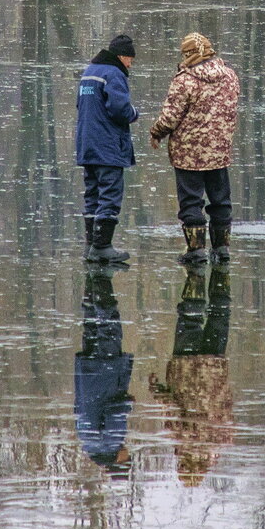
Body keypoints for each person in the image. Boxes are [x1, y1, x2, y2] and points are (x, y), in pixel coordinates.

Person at [149, 32, 240, 264]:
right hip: (219, 152)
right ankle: (222, 249)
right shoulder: (230, 76)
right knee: (220, 201)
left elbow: (170, 118)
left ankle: (196, 251)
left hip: (189, 153)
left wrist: (156, 132)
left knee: (191, 201)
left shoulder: (184, 81)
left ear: (188, 54)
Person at [148, 266, 233, 486]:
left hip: (214, 367)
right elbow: (174, 409)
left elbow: (228, 407)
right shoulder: (182, 441)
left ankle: (222, 266)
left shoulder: (222, 441)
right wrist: (158, 392)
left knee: (220, 314)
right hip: (186, 369)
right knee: (190, 317)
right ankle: (196, 269)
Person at [76, 34, 140, 264]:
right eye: (130, 59)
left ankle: (90, 245)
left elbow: (80, 106)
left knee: (92, 194)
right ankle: (102, 246)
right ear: (122, 56)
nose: (131, 64)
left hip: (87, 144)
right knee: (109, 194)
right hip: (108, 146)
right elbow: (120, 109)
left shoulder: (89, 72)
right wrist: (134, 113)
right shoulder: (114, 74)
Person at [74, 267, 134, 476]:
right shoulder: (88, 444)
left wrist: (128, 404)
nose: (128, 452)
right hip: (87, 373)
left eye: (128, 458)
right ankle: (91, 282)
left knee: (110, 326)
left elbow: (114, 411)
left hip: (106, 374)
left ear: (119, 461)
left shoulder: (111, 443)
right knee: (91, 325)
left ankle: (101, 277)